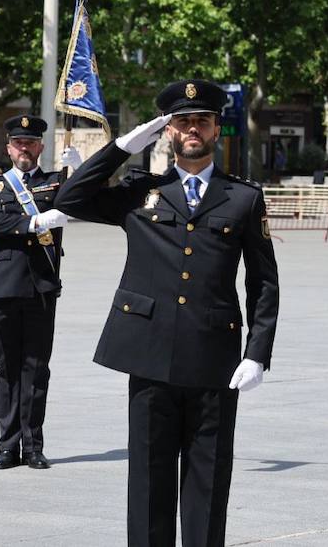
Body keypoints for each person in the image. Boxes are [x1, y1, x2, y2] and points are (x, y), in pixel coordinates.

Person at [54, 81, 279, 547]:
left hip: (214, 359)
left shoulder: (243, 197)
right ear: (168, 132)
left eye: (202, 121)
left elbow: (263, 282)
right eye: (182, 122)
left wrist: (257, 353)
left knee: (208, 479)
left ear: (217, 128)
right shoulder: (140, 191)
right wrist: (122, 146)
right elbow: (69, 198)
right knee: (150, 481)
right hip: (149, 354)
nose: (193, 129)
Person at [0, 115, 75, 470]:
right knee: (7, 368)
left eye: (30, 143)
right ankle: (7, 445)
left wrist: (78, 172)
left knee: (36, 368)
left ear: (40, 147)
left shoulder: (55, 184)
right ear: (9, 148)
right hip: (2, 287)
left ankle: (33, 446)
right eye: (18, 143)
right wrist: (34, 222)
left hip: (41, 286)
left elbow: (79, 201)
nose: (24, 149)